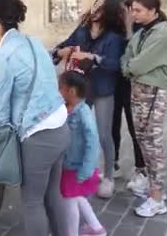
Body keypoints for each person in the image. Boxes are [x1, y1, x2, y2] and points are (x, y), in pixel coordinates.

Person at [0, 0, 69, 236]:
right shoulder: (33, 41)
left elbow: (3, 110)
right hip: (61, 126)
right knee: (53, 195)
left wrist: (0, 135)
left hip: (38, 136)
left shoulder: (1, 56)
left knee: (32, 202)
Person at [55, 0, 127, 199]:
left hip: (103, 89)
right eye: (94, 5)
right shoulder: (81, 31)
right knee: (75, 128)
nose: (95, 10)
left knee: (104, 134)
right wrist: (60, 52)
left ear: (108, 13)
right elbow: (63, 46)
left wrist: (93, 57)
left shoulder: (113, 37)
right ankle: (77, 169)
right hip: (80, 89)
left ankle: (109, 176)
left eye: (101, 8)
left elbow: (115, 64)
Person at [120, 0, 167, 218]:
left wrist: (129, 67)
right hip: (139, 90)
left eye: (138, 10)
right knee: (142, 139)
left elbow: (137, 65)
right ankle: (152, 186)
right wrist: (129, 65)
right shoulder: (142, 32)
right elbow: (127, 55)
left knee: (152, 142)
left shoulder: (161, 34)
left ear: (153, 11)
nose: (133, 14)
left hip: (152, 92)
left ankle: (157, 196)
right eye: (133, 10)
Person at [59, 70, 106, 236]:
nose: (59, 91)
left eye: (61, 88)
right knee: (77, 197)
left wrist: (86, 169)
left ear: (71, 91)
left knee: (69, 200)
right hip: (70, 165)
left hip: (76, 167)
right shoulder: (68, 107)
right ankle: (96, 228)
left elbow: (93, 142)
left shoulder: (83, 113)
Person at [113, 0, 147, 194]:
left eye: (132, 11)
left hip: (133, 87)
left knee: (135, 130)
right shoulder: (113, 30)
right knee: (113, 125)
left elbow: (133, 54)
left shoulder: (141, 31)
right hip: (116, 85)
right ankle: (114, 163)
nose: (129, 14)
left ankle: (141, 170)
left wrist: (128, 27)